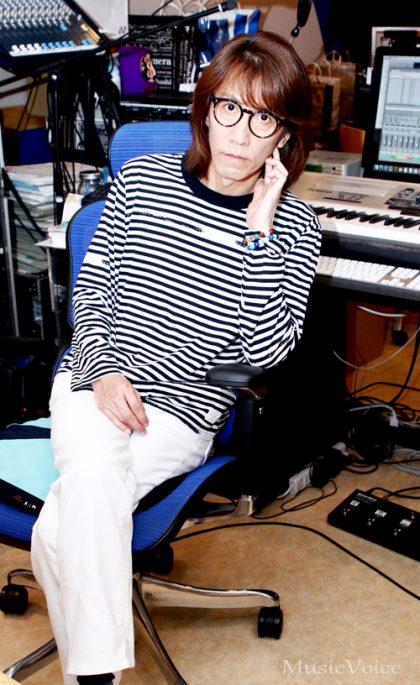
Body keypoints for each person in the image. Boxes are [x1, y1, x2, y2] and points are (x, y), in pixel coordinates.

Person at [31, 31, 322, 685]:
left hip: (182, 411)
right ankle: (97, 678)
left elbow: (264, 354)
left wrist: (259, 233)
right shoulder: (142, 181)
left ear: (283, 135)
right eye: (230, 108)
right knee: (94, 480)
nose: (241, 133)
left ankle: (90, 674)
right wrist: (104, 371)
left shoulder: (295, 228)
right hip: (93, 383)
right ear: (206, 109)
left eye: (264, 118)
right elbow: (93, 292)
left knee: (64, 521)